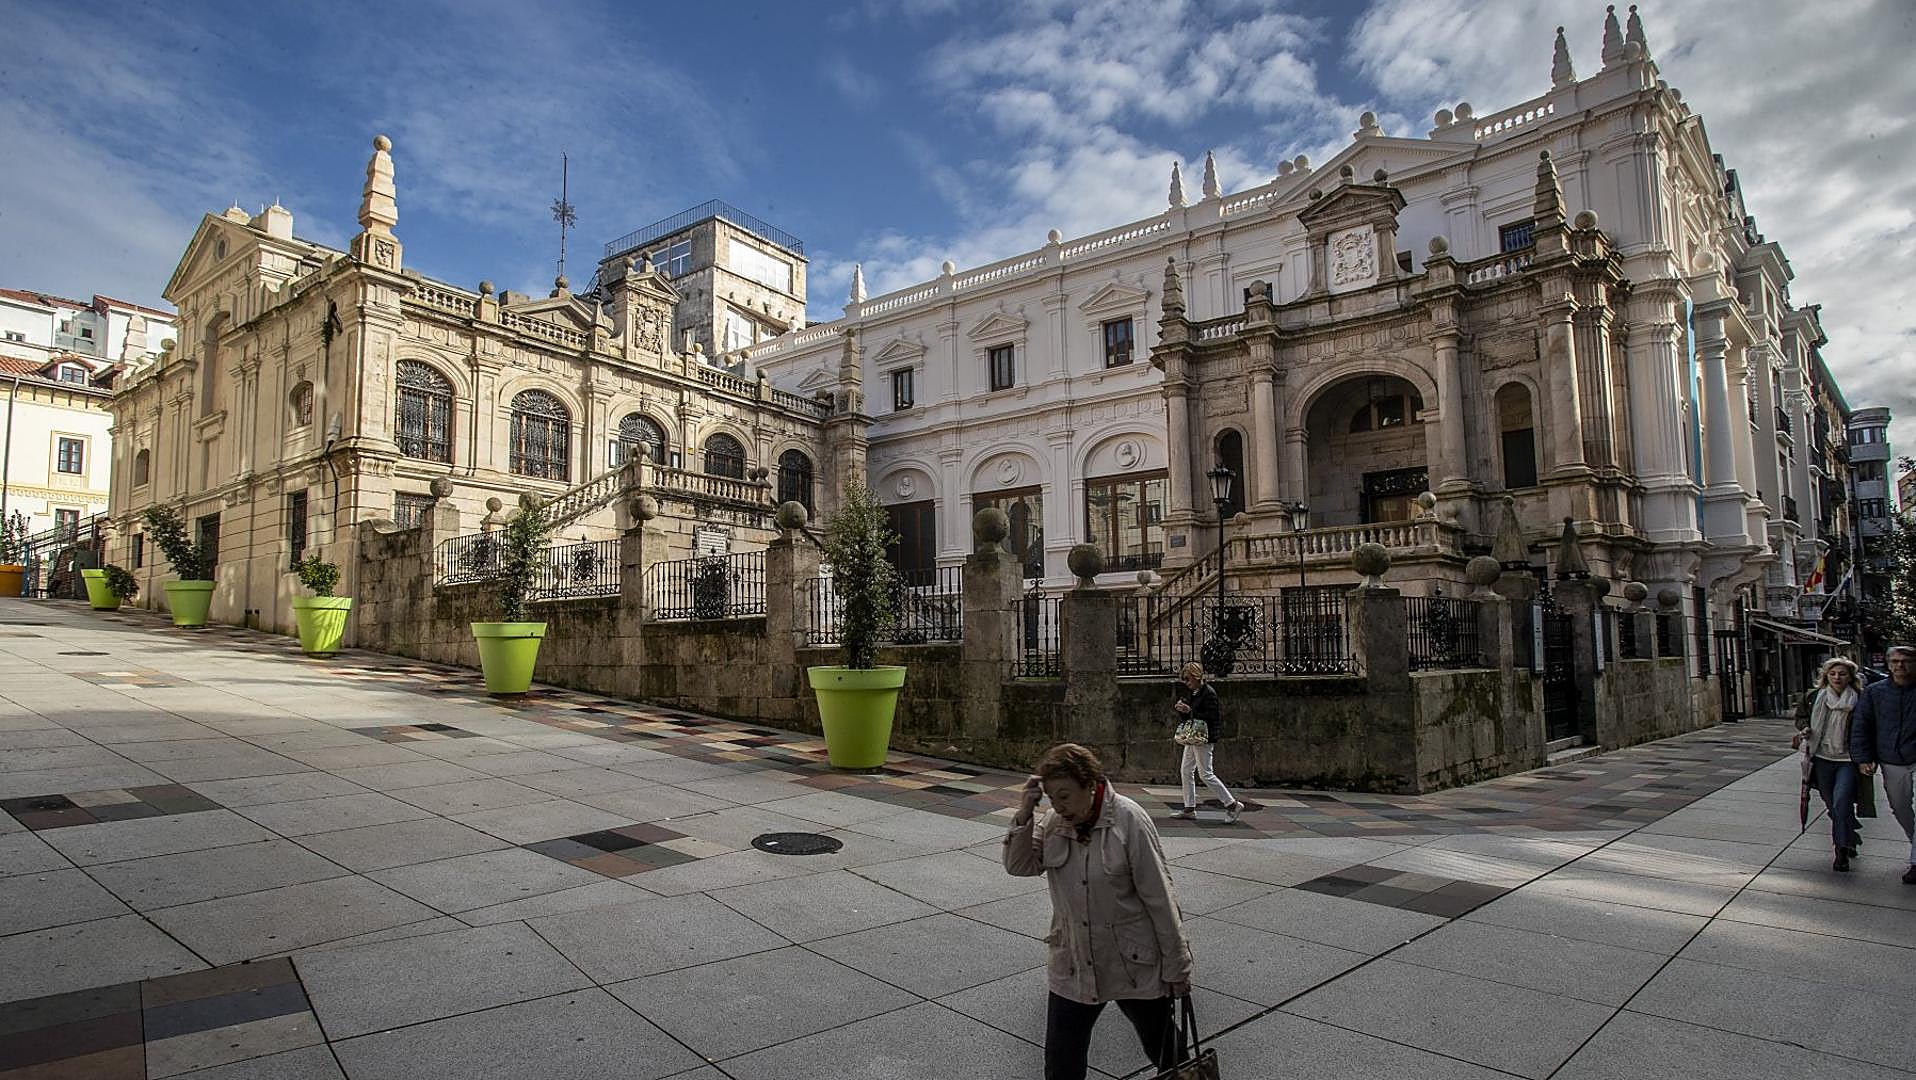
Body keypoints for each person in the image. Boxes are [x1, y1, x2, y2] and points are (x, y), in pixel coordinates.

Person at [1003, 743, 1193, 1080]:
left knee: (1166, 1051)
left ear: (1090, 785)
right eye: (1051, 797)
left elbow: (1160, 899)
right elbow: (1019, 865)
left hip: (1132, 961)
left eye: (1065, 796)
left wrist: (1177, 967)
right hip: (1073, 961)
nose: (1059, 807)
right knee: (1062, 1063)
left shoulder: (1129, 820)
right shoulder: (1052, 822)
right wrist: (1025, 813)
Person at [1851, 644, 1916, 885]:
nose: (1900, 666)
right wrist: (1863, 757)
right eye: (1896, 661)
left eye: (1906, 661)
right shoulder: (1875, 692)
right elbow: (1862, 725)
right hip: (1891, 758)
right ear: (1888, 665)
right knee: (1900, 807)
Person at [1793, 657, 1862, 870]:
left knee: (1841, 802)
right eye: (1832, 674)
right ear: (1826, 676)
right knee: (1832, 804)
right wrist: (1804, 728)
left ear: (1850, 677)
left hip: (1848, 759)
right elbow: (1801, 717)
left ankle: (1840, 851)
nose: (1837, 678)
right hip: (1821, 757)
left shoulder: (1859, 699)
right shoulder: (1815, 697)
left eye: (1842, 674)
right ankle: (1849, 836)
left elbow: (1868, 726)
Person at [1170, 662, 1246, 823]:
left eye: (1188, 679)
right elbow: (1191, 716)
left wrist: (1190, 711)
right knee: (1186, 770)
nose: (1186, 683)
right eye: (1184, 679)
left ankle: (1232, 804)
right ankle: (1189, 808)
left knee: (1205, 774)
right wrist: (1182, 710)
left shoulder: (1208, 693)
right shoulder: (1195, 692)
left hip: (1204, 738)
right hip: (1193, 737)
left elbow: (1211, 717)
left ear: (1197, 677)